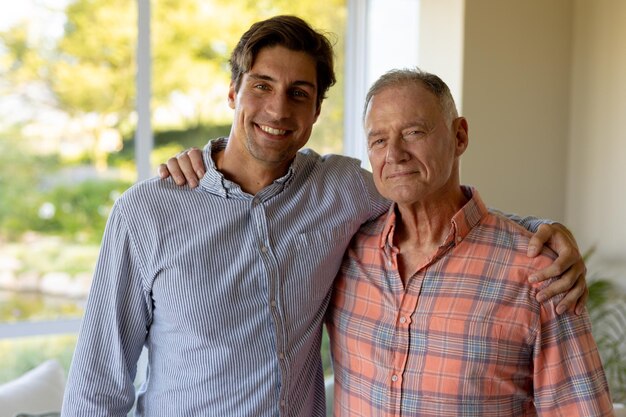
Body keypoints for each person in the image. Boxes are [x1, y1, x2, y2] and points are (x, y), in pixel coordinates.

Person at [63, 15, 586, 417]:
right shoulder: (151, 209)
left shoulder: (340, 190)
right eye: (262, 86)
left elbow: (429, 196)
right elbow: (97, 380)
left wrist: (540, 231)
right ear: (233, 93)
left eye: (300, 94)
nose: (278, 110)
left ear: (316, 112)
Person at [325, 68, 612, 416]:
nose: (395, 154)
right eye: (379, 140)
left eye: (414, 132)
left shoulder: (540, 272)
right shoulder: (344, 250)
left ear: (459, 136)